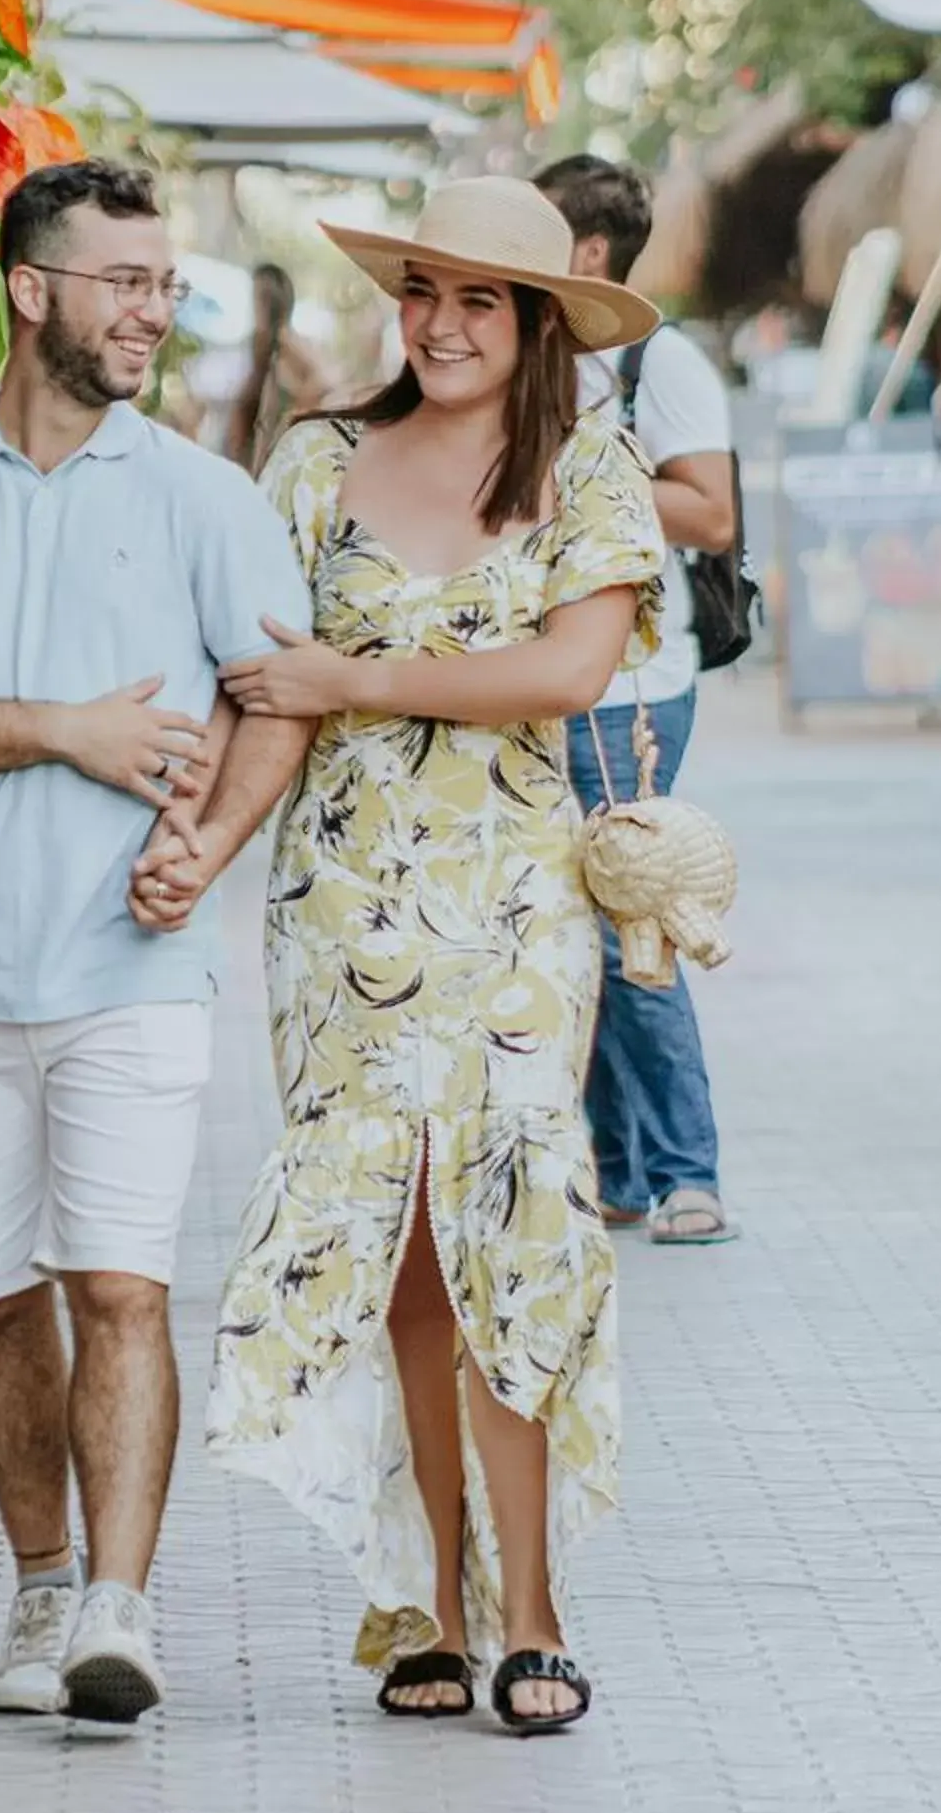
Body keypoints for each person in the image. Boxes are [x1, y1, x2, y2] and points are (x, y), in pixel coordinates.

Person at [131, 177, 665, 1731]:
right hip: (343, 906)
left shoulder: (587, 468)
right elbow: (260, 691)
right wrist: (200, 846)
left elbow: (566, 670)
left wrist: (350, 671)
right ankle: (430, 1601)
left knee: (516, 1221)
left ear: (540, 319)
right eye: (421, 291)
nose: (437, 323)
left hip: (512, 911)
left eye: (477, 300)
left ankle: (539, 1617)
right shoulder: (313, 464)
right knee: (404, 1249)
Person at [0, 159, 311, 1728]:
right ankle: (36, 1586)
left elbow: (275, 696)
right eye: (124, 283)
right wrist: (70, 738)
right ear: (32, 290)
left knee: (120, 1287)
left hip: (133, 978)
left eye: (165, 285)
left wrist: (208, 842)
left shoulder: (202, 496)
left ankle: (119, 1604)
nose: (153, 311)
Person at [533, 154, 738, 1247]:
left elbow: (707, 512)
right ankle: (617, 1170)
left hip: (633, 684)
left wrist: (563, 476)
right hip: (555, 670)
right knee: (578, 921)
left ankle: (684, 1172)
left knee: (630, 918)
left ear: (588, 252)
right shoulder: (545, 355)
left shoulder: (661, 362)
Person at [224, 261, 328, 472]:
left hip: (270, 456)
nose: (254, 305)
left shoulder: (285, 338)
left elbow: (325, 379)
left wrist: (294, 412)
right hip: (248, 456)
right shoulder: (259, 342)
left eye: (261, 298)